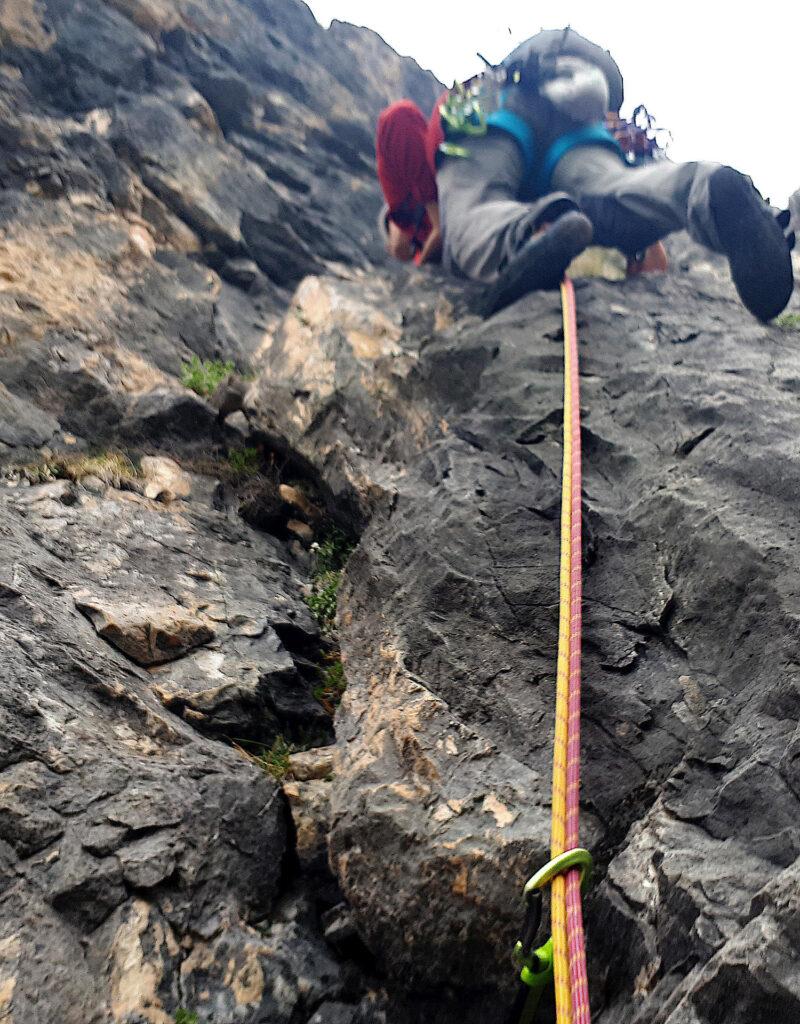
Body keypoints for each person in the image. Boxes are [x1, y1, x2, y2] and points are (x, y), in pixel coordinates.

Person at [436, 27, 795, 321]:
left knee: (475, 200)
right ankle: (703, 186)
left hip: (511, 96)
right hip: (591, 102)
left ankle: (532, 230)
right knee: (616, 186)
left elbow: (450, 193)